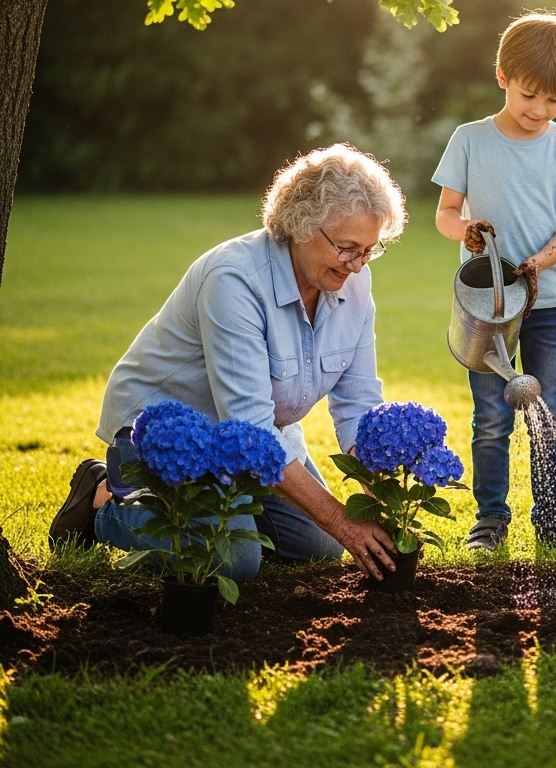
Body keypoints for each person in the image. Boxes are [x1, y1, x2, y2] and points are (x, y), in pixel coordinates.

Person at [48, 144, 406, 580]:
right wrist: (340, 518)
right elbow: (249, 424)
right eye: (347, 248)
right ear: (301, 226)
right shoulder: (234, 279)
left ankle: (230, 511)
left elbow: (358, 403)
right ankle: (104, 501)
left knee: (321, 546)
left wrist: (383, 501)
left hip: (254, 440)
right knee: (232, 562)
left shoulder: (355, 282)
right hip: (175, 435)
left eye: (370, 250)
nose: (358, 265)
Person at [432, 12, 556, 551]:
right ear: (502, 76)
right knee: (491, 415)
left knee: (551, 408)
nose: (540, 111)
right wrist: (467, 230)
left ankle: (551, 522)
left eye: (554, 101)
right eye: (530, 95)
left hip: (549, 302)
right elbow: (446, 214)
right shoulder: (470, 140)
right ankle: (490, 520)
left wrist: (536, 264)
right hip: (488, 305)